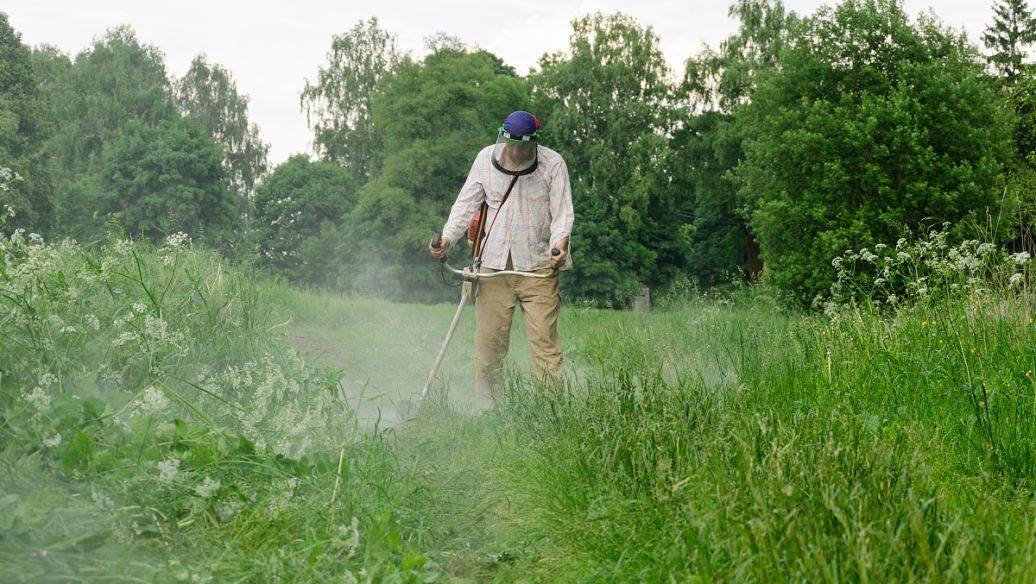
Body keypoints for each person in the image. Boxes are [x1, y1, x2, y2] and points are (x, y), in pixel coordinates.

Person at [430, 110, 574, 410]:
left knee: (545, 345)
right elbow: (465, 204)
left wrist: (558, 247)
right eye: (510, 145)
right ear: (502, 138)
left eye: (522, 147)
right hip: (493, 268)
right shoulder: (485, 159)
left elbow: (563, 213)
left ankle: (550, 411)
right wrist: (446, 238)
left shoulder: (553, 164)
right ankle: (488, 409)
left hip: (538, 268)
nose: (514, 152)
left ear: (534, 143)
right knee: (489, 348)